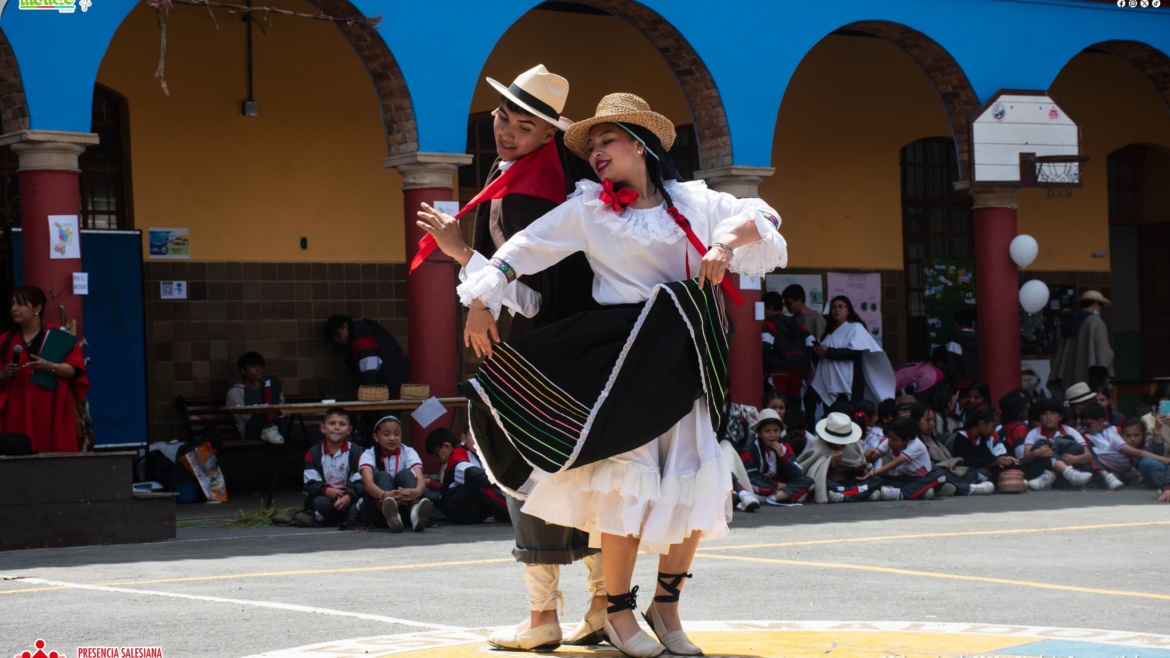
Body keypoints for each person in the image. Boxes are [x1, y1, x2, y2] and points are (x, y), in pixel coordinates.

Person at [425, 92, 787, 658]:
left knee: (693, 480)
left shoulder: (695, 202)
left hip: (688, 358)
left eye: (606, 141)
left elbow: (763, 216)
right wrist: (476, 290)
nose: (595, 152)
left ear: (639, 144)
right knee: (625, 483)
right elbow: (520, 253)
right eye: (590, 145)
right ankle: (617, 612)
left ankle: (666, 607)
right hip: (625, 363)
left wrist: (723, 243)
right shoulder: (589, 209)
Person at [414, 65, 606, 652]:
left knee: (526, 474)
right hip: (584, 353)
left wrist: (466, 266)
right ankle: (603, 605)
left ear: (549, 134)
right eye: (503, 117)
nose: (506, 132)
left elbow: (536, 294)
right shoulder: (554, 172)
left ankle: (542, 615)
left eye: (523, 126)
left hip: (540, 356)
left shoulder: (531, 191)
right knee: (593, 475)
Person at [0, 285, 89, 453]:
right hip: (16, 407)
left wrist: (50, 366)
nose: (14, 309)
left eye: (20, 304)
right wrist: (4, 375)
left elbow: (75, 370)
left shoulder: (57, 335)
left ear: (37, 308)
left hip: (50, 405)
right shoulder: (4, 341)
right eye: (12, 304)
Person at [810, 295, 895, 417]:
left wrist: (828, 351)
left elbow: (855, 352)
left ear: (848, 310)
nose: (836, 310)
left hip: (847, 385)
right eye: (833, 307)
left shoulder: (855, 327)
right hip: (829, 384)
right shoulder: (828, 332)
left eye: (841, 306)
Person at [356, 415, 432, 532]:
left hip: (406, 502)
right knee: (382, 475)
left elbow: (420, 480)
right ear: (376, 437)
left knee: (406, 474)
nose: (392, 438)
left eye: (397, 434)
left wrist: (415, 492)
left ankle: (415, 513)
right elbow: (368, 484)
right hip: (378, 507)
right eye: (386, 434)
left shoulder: (408, 452)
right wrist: (386, 495)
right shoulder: (368, 454)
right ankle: (391, 515)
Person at [295, 407, 363, 528]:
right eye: (332, 423)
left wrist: (349, 496)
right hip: (326, 498)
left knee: (362, 503)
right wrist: (327, 490)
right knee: (320, 503)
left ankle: (327, 519)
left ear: (349, 430)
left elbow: (360, 480)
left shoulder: (356, 452)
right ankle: (347, 518)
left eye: (342, 424)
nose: (337, 427)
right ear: (323, 428)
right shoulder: (314, 452)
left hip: (351, 497)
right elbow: (310, 482)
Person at [426, 427, 509, 525]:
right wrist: (506, 481)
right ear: (463, 438)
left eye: (480, 436)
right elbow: (475, 475)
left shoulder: (481, 454)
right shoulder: (455, 457)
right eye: (473, 436)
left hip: (472, 509)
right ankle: (514, 511)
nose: (477, 440)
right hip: (456, 507)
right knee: (479, 484)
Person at [796, 412, 882, 503]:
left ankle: (844, 495)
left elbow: (855, 470)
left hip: (848, 483)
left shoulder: (853, 445)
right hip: (832, 484)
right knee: (822, 484)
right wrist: (830, 465)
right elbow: (812, 472)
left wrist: (858, 470)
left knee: (876, 480)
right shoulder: (818, 445)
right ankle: (861, 494)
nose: (843, 443)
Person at [1019, 398, 1097, 491]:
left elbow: (1087, 455)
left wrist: (1074, 459)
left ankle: (1051, 475)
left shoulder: (1070, 431)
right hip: (1041, 470)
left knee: (1071, 443)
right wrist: (1037, 452)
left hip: (1063, 473)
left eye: (1052, 413)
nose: (1048, 417)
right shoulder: (1034, 433)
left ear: (1060, 417)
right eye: (1044, 414)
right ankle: (1069, 474)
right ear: (1040, 418)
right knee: (1041, 444)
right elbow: (1024, 459)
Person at [323, 315, 409, 397]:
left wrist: (367, 393)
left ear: (345, 326)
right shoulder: (366, 331)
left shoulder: (361, 339)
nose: (337, 340)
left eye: (338, 334)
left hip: (389, 386)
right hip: (395, 379)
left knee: (388, 411)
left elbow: (369, 371)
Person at [743, 409, 814, 505]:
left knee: (809, 481)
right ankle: (784, 495)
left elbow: (797, 474)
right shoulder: (750, 449)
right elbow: (750, 475)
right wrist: (776, 484)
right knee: (749, 482)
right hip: (764, 484)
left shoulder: (785, 447)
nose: (772, 435)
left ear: (781, 432)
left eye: (776, 431)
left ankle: (775, 497)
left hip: (782, 485)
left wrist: (783, 456)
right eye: (767, 431)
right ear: (760, 433)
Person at [1052, 290, 1113, 392]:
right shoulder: (1095, 322)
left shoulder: (1071, 321)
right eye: (1100, 306)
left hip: (1071, 375)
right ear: (1095, 304)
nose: (1100, 310)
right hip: (1092, 375)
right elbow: (1103, 354)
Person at [225, 351, 286, 445]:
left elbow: (280, 412)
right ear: (243, 371)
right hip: (251, 430)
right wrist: (256, 390)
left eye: (261, 367)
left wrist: (278, 391)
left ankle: (272, 427)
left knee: (309, 432)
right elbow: (247, 417)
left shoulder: (266, 389)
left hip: (275, 427)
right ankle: (270, 427)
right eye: (254, 367)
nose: (259, 370)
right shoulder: (234, 392)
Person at [950, 405, 1020, 486]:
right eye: (993, 427)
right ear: (982, 424)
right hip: (964, 472)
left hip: (982, 469)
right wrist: (994, 461)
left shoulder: (981, 439)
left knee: (1005, 466)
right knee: (981, 473)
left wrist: (1003, 459)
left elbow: (987, 457)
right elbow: (970, 462)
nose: (994, 432)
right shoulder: (960, 437)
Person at [761, 291, 810, 400]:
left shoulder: (769, 325)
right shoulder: (798, 324)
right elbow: (811, 343)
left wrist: (764, 370)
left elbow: (765, 348)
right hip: (798, 374)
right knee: (794, 406)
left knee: (778, 406)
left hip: (777, 373)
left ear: (770, 307)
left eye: (763, 307)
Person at [1119, 417, 1170, 502]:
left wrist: (1157, 429)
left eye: (1136, 435)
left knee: (1147, 462)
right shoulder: (1119, 448)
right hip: (1153, 480)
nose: (1132, 439)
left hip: (1164, 476)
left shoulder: (1146, 445)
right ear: (1121, 436)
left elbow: (1158, 450)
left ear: (1143, 435)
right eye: (1128, 435)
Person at [942, 308, 979, 394]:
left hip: (960, 383)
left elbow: (953, 362)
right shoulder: (981, 338)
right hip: (979, 382)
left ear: (956, 324)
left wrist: (947, 378)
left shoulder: (955, 339)